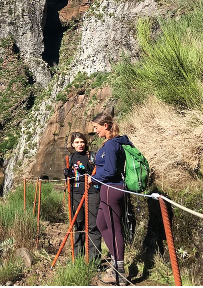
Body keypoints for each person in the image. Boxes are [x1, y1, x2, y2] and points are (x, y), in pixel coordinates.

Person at [90, 112, 131, 286]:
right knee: (102, 224)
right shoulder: (111, 143)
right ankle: (115, 262)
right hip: (108, 188)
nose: (95, 131)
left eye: (96, 127)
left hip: (111, 189)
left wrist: (92, 179)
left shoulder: (112, 145)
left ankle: (119, 272)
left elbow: (111, 171)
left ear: (105, 126)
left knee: (114, 229)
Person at [63, 132, 102, 261]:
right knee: (78, 224)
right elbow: (70, 179)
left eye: (82, 142)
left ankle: (93, 259)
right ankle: (78, 257)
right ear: (73, 144)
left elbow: (99, 173)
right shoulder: (70, 158)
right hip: (75, 193)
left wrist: (87, 172)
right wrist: (67, 174)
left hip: (92, 192)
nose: (80, 144)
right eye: (77, 142)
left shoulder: (92, 156)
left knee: (92, 225)